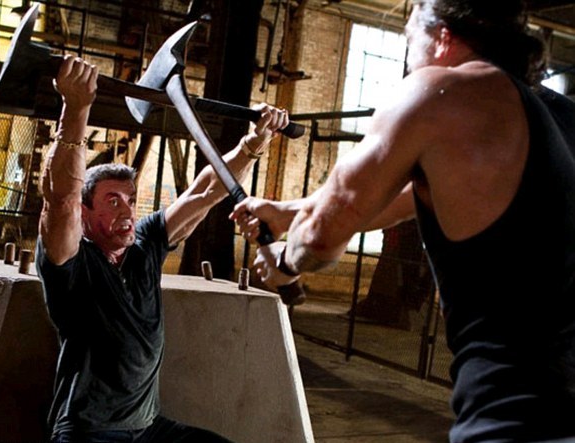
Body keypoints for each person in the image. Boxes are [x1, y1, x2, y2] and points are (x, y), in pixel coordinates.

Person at [231, 1, 575, 441]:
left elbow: (318, 239)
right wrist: (288, 212)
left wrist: (285, 260)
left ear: (443, 38)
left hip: (511, 419)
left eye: (409, 40)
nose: (409, 60)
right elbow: (400, 198)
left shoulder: (439, 91)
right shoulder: (556, 115)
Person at [36, 54, 289, 443]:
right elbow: (61, 199)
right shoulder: (71, 260)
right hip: (90, 431)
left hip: (149, 429)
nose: (126, 211)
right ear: (85, 214)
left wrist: (254, 142)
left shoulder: (146, 242)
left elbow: (206, 191)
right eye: (112, 202)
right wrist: (76, 107)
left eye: (130, 200)